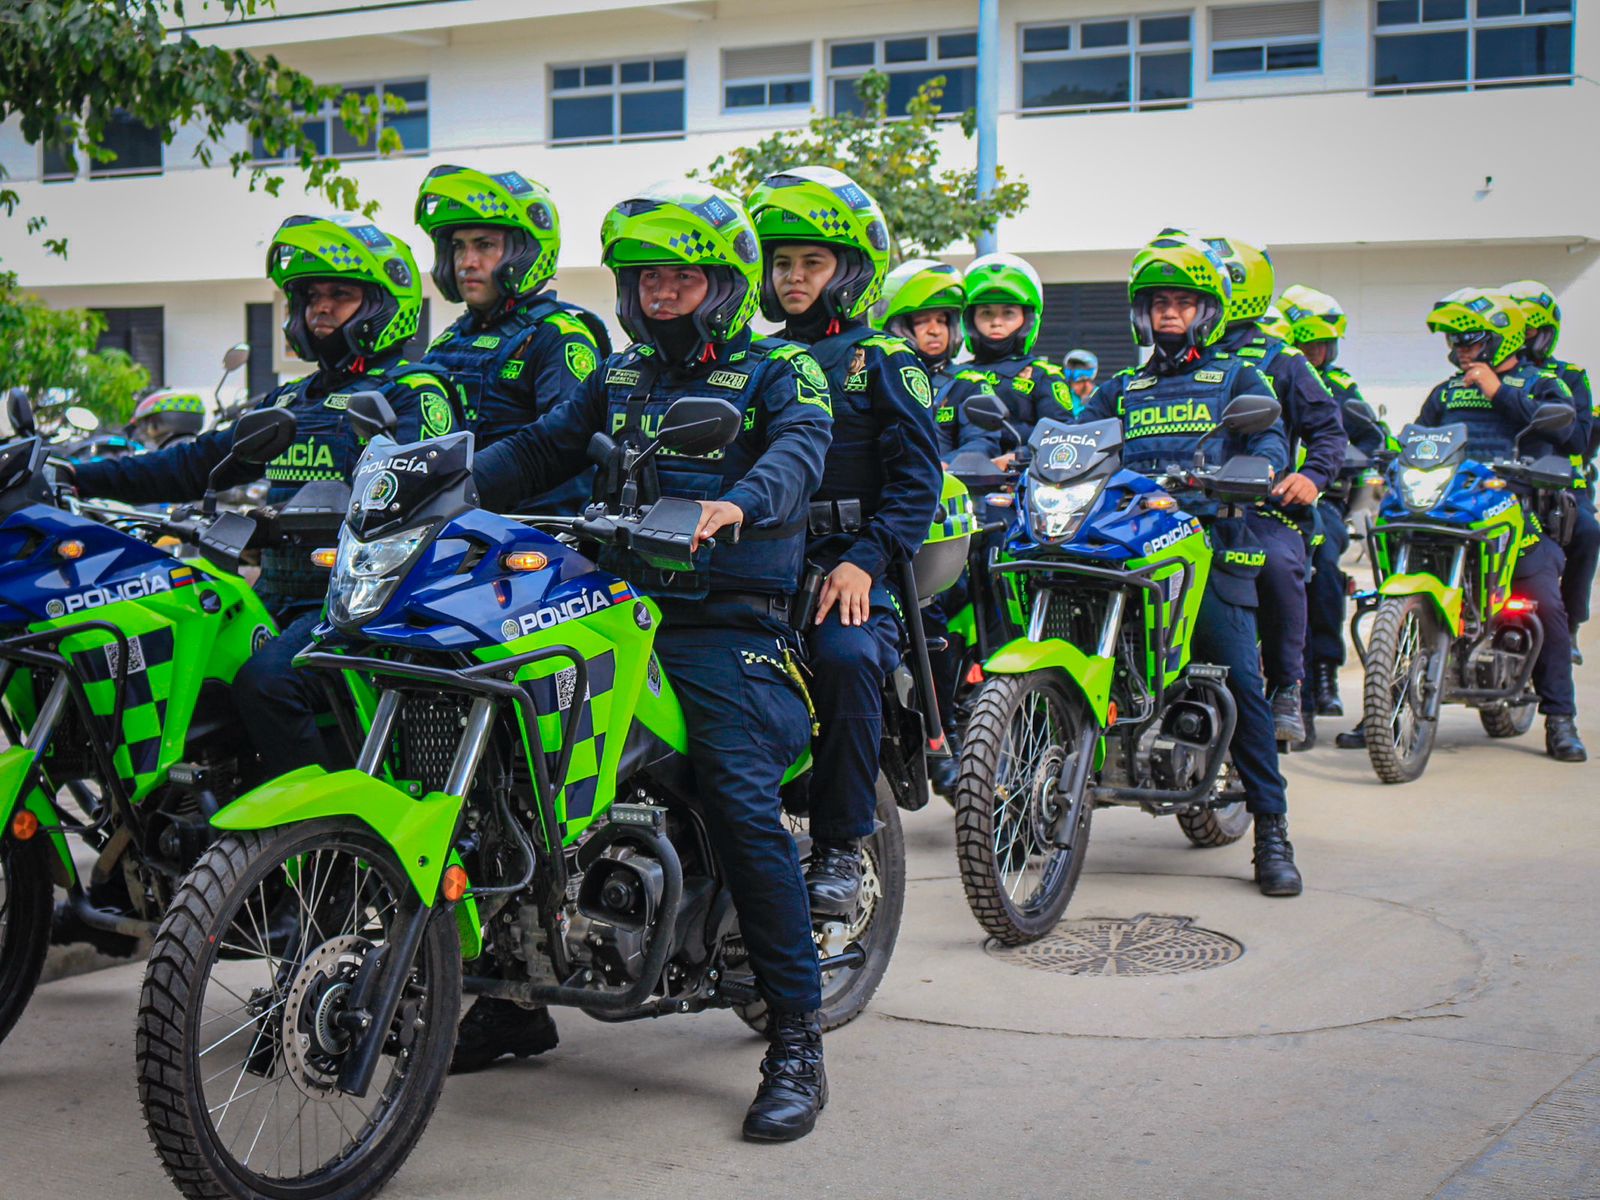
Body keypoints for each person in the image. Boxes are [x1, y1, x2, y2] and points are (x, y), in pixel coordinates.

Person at [471, 180, 835, 1141]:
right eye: (645, 280)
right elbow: (541, 448)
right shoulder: (621, 374)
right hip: (611, 610)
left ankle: (798, 1038)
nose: (660, 295)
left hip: (725, 626)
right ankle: (509, 996)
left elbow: (798, 454)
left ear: (725, 285)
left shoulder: (781, 370)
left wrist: (736, 503)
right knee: (505, 767)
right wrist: (438, 484)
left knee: (738, 796)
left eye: (679, 278)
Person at [71, 214, 460, 771]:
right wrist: (79, 475)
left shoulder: (414, 390)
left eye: (340, 295)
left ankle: (319, 819)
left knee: (267, 683)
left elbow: (418, 502)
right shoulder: (290, 399)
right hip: (276, 594)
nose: (320, 308)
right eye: (310, 297)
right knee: (186, 667)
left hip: (357, 605)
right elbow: (195, 463)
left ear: (381, 304)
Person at [1080, 230, 1302, 897]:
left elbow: (1270, 440)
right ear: (1142, 314)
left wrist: (1258, 467)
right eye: (1158, 304)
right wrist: (1035, 458)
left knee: (1241, 681)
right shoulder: (1123, 387)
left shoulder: (1237, 377)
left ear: (1206, 312)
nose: (1168, 314)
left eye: (1181, 303)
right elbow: (1074, 435)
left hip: (1209, 549)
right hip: (1126, 549)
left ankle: (1272, 830)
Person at [747, 166, 941, 913]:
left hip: (849, 561)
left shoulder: (885, 359)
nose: (793, 277)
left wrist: (865, 562)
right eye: (781, 262)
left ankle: (840, 846)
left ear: (851, 270)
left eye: (812, 262)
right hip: (756, 559)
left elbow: (917, 486)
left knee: (846, 656)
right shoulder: (754, 359)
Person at [1410, 288, 1586, 761]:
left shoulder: (1542, 384)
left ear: (1500, 339)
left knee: (1545, 604)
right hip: (1450, 516)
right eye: (1454, 341)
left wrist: (1500, 392)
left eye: (1469, 340)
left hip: (1519, 521)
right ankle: (1382, 711)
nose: (1459, 350)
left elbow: (1569, 438)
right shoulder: (1446, 391)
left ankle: (1561, 720)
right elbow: (1420, 438)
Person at [1207, 237, 1348, 748]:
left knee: (1278, 563)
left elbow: (1329, 430)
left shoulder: (1281, 359)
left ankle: (1287, 687)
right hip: (1180, 507)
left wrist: (1312, 477)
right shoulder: (1173, 361)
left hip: (1260, 508)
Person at [416, 165, 610, 514]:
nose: (466, 262)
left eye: (484, 245)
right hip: (446, 522)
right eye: (458, 247)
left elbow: (564, 452)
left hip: (525, 534)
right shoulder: (447, 342)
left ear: (525, 252)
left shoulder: (559, 336)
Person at [875, 258, 1001, 796]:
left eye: (942, 321)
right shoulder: (877, 372)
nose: (933, 331)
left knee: (933, 622)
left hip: (947, 532)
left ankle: (943, 734)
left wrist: (956, 464)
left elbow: (982, 439)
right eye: (921, 321)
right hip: (884, 526)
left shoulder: (967, 383)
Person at [1281, 284, 1386, 720]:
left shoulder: (1340, 387)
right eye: (1310, 345)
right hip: (1262, 496)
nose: (1318, 354)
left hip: (1320, 500)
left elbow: (1374, 438)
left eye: (1324, 346)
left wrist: (1371, 456)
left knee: (1322, 558)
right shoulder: (1270, 372)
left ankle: (1323, 672)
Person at [1502, 280, 1598, 664]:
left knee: (1588, 532)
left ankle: (1569, 625)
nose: (1523, 340)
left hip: (1560, 485)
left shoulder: (1568, 377)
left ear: (1546, 333)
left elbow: (1577, 441)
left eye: (1529, 332)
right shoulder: (1484, 377)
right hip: (1503, 482)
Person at [960, 252, 1073, 443]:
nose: (996, 322)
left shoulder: (1042, 376)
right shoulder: (955, 377)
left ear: (1027, 319)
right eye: (986, 313)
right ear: (970, 319)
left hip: (1020, 462)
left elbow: (1062, 438)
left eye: (1008, 313)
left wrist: (1019, 454)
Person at [129, 389, 206, 448]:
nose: (144, 430)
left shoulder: (166, 455)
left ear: (155, 423)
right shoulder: (201, 448)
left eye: (146, 422)